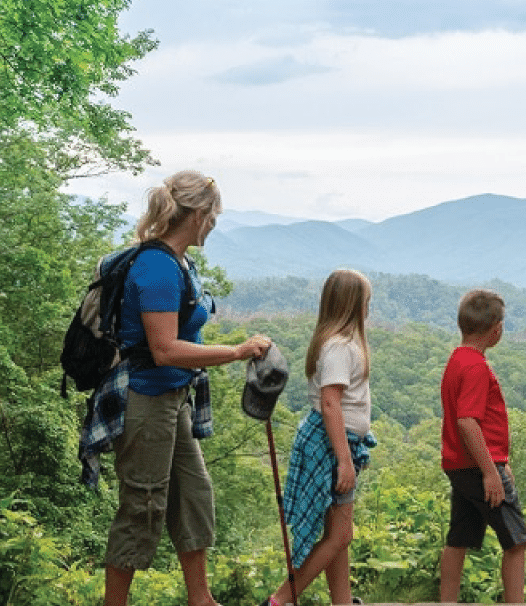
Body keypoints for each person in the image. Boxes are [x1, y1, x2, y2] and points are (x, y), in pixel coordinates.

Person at [98, 170, 272, 606]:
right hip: (146, 400)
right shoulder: (156, 266)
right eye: (213, 215)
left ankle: (201, 598)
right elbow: (165, 350)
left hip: (175, 400)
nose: (214, 223)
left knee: (194, 495)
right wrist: (235, 351)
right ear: (197, 214)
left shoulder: (179, 262)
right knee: (143, 506)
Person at [262, 269, 377, 606]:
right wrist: (344, 461)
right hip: (331, 446)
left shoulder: (335, 342)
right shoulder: (340, 347)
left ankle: (341, 601)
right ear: (353, 306)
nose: (369, 309)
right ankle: (279, 600)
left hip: (333, 443)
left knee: (336, 535)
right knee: (341, 534)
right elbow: (330, 403)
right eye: (366, 302)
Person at [438, 289, 526, 604]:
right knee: (516, 542)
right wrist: (492, 472)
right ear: (496, 330)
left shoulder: (457, 359)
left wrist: (501, 462)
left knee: (459, 538)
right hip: (479, 468)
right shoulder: (476, 367)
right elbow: (467, 421)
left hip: (459, 466)